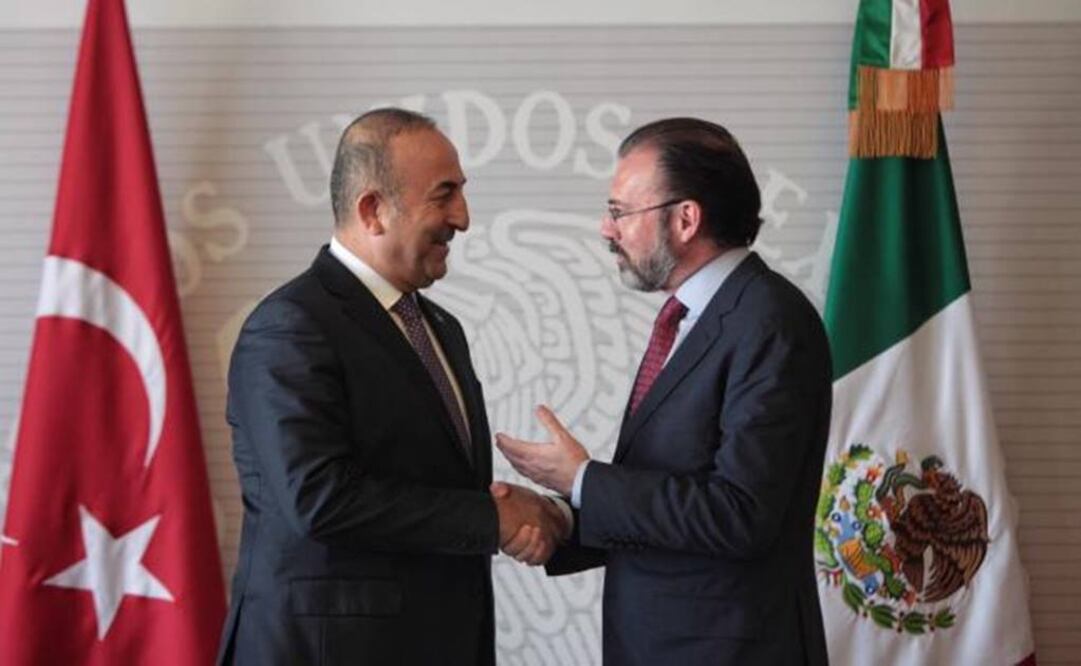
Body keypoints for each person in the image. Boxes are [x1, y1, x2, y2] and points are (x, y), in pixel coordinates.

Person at [217, 108, 566, 666]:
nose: (464, 217)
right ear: (373, 210)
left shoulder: (440, 328)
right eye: (444, 194)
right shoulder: (290, 326)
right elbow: (319, 499)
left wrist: (525, 509)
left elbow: (426, 483)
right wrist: (491, 517)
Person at [497, 117, 832, 665]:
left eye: (620, 212)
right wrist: (564, 517)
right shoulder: (693, 318)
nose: (608, 230)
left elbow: (739, 514)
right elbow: (674, 500)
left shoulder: (769, 321)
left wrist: (585, 480)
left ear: (685, 219)